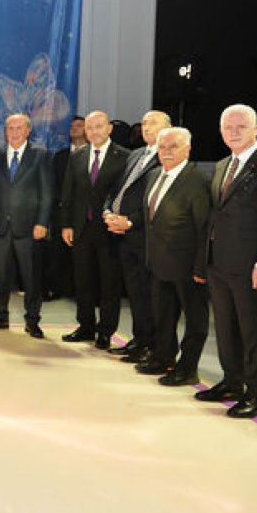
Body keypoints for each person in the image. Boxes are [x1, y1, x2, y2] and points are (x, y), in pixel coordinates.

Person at [198, 104, 257, 418]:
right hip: (219, 264)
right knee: (225, 330)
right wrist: (205, 260)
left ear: (256, 129)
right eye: (228, 127)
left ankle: (256, 396)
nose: (234, 132)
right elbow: (215, 216)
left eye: (241, 126)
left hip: (251, 267)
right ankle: (232, 382)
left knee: (253, 333)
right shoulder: (223, 164)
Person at [135, 127, 211, 386]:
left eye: (173, 146)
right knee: (163, 314)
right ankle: (163, 357)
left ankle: (187, 369)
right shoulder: (153, 175)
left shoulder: (198, 180)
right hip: (158, 262)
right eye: (162, 147)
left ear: (187, 149)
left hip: (188, 266)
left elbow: (203, 227)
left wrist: (200, 267)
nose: (166, 151)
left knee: (195, 320)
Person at [60, 111, 129, 349]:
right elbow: (68, 193)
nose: (94, 131)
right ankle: (86, 326)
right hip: (81, 228)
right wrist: (66, 224)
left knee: (109, 283)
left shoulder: (125, 157)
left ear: (109, 128)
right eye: (89, 127)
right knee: (83, 281)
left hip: (109, 230)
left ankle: (105, 331)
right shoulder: (77, 156)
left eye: (99, 126)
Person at [102, 110, 165, 362]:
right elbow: (117, 189)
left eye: (153, 123)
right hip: (123, 236)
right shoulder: (136, 154)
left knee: (150, 295)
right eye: (145, 123)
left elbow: (156, 202)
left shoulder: (167, 157)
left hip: (145, 236)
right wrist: (108, 212)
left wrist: (130, 221)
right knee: (135, 293)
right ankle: (140, 340)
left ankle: (153, 345)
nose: (146, 127)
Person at [0, 113, 53, 338]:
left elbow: (47, 194)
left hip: (30, 227)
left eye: (19, 128)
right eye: (10, 128)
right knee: (0, 276)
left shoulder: (40, 155)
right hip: (0, 227)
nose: (14, 132)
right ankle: (0, 317)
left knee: (31, 277)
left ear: (28, 130)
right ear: (5, 131)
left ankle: (32, 320)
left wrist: (42, 222)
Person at [46, 116, 86, 300]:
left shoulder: (93, 155)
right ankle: (57, 288)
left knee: (82, 254)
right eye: (72, 126)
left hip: (85, 213)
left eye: (79, 125)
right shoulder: (60, 156)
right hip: (61, 211)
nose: (74, 128)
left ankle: (80, 291)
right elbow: (52, 183)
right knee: (57, 251)